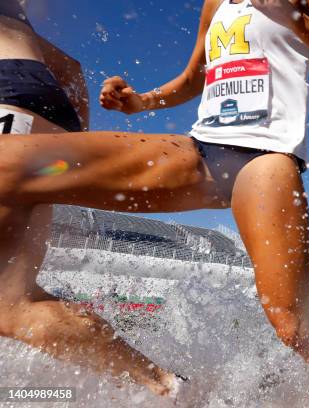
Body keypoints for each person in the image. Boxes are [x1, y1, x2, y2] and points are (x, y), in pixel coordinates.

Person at [0, 0, 309, 399]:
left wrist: (293, 17)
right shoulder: (216, 3)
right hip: (200, 152)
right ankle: (171, 390)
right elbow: (194, 78)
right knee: (8, 164)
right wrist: (143, 101)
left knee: (291, 324)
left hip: (263, 159)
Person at [0, 0, 183, 397]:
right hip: (39, 99)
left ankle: (164, 387)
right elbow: (71, 71)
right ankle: (162, 385)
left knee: (9, 303)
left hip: (7, 98)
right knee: (13, 297)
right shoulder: (17, 24)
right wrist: (72, 144)